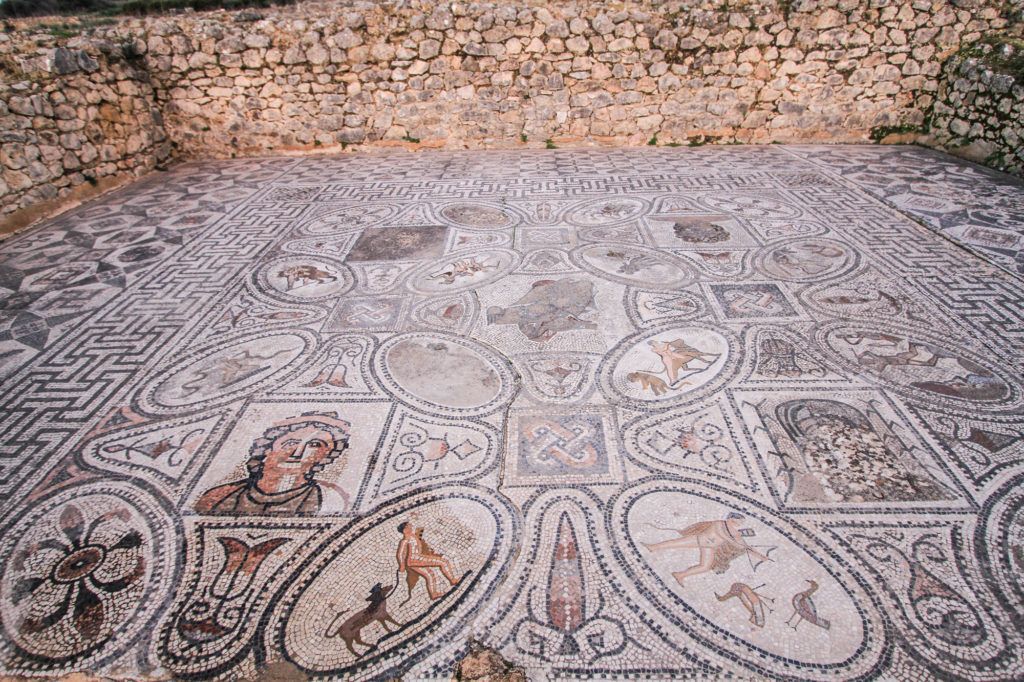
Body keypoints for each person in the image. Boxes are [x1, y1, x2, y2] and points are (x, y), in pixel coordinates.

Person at [195, 412, 350, 515]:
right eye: (290, 442)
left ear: (324, 457)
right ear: (267, 449)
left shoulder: (329, 499)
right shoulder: (217, 497)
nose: (297, 453)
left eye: (314, 445)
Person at [395, 521, 461, 600]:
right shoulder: (405, 540)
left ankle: (434, 594)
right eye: (409, 526)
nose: (411, 526)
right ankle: (453, 580)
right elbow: (400, 554)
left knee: (430, 574)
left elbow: (418, 543)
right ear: (404, 530)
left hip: (417, 559)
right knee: (443, 562)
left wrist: (428, 548)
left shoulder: (412, 536)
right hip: (414, 560)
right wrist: (401, 566)